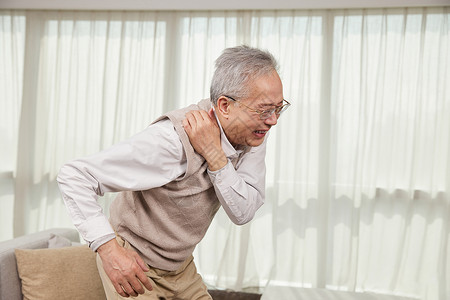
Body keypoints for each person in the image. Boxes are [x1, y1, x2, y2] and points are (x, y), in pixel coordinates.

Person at [57, 45, 290, 299]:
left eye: (278, 108)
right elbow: (75, 176)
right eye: (264, 109)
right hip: (134, 261)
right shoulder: (171, 141)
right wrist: (110, 252)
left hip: (180, 268)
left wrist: (214, 155)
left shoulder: (253, 131)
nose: (273, 120)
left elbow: (243, 211)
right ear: (225, 105)